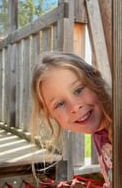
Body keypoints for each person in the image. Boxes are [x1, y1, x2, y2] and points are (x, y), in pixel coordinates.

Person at [30, 52, 112, 187]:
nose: (74, 107)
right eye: (60, 104)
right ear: (50, 114)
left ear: (96, 79)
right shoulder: (100, 132)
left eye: (79, 90)